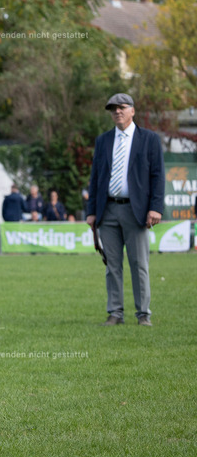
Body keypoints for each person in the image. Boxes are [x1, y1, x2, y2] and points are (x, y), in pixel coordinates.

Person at [86, 93, 164, 327]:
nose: (117, 112)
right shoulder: (103, 140)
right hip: (107, 210)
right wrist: (91, 211)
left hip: (136, 210)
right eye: (113, 109)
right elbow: (96, 177)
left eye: (122, 107)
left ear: (132, 111)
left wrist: (155, 208)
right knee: (112, 264)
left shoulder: (149, 139)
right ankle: (115, 313)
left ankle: (143, 315)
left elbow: (158, 176)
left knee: (139, 264)